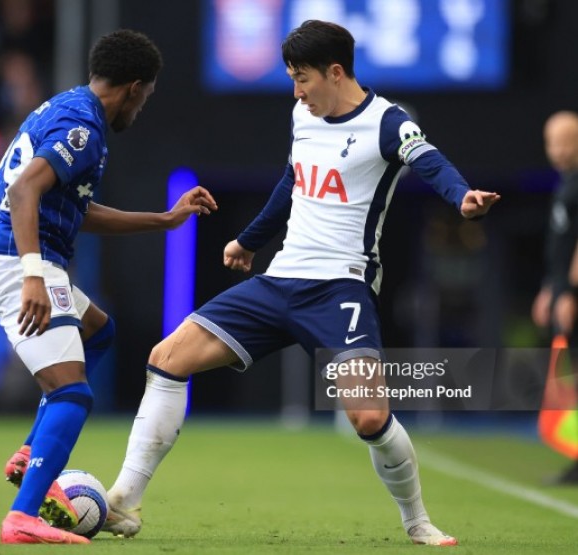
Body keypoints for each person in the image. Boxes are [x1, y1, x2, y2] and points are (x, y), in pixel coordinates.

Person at [102, 20, 499, 546]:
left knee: (368, 417)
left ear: (335, 72)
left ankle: (417, 521)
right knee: (167, 358)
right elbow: (292, 183)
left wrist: (462, 196)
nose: (296, 91)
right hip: (280, 280)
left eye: (302, 78)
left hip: (339, 289)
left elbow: (430, 162)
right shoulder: (302, 116)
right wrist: (247, 241)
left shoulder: (387, 122)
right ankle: (122, 501)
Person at [0, 29, 217, 544]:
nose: (141, 108)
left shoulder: (68, 108)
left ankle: (30, 452)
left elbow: (76, 209)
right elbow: (24, 189)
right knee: (72, 392)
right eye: (144, 97)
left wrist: (164, 220)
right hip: (14, 262)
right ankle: (22, 518)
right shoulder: (83, 125)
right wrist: (34, 272)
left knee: (99, 332)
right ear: (132, 87)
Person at [531, 110, 578, 484]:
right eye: (554, 143)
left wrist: (570, 291)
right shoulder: (566, 183)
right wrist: (551, 287)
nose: (560, 150)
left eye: (567, 142)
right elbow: (561, 246)